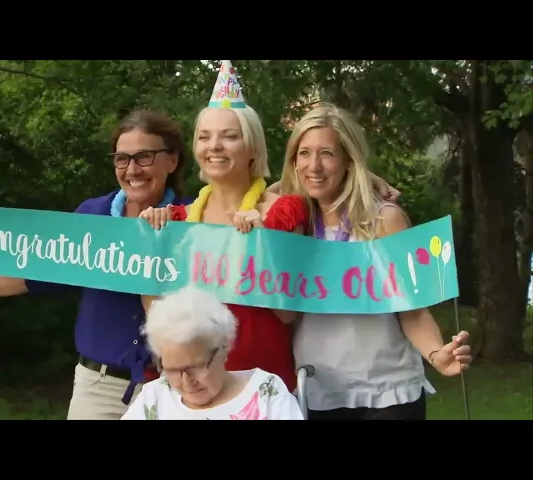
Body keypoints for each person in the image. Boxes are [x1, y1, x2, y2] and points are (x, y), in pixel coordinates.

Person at [0, 109, 192, 420]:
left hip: (177, 387)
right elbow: (42, 273)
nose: (132, 169)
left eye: (144, 157)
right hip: (98, 388)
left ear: (172, 160)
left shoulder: (195, 219)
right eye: (122, 159)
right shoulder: (93, 215)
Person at [274, 103, 473, 420]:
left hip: (388, 392)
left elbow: (413, 310)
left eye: (327, 153)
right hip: (318, 393)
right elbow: (260, 189)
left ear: (348, 160)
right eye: (304, 153)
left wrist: (436, 354)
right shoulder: (293, 225)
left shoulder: (385, 220)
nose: (314, 165)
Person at [140, 61, 310, 393]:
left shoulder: (281, 213)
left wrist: (260, 244)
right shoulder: (177, 222)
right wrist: (149, 246)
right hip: (193, 390)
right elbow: (158, 319)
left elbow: (289, 315)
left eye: (229, 136)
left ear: (252, 148)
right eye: (204, 137)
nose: (214, 146)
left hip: (261, 387)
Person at [121, 286, 304, 420]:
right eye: (173, 370)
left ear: (223, 349)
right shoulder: (154, 396)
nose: (187, 382)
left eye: (195, 367)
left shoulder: (267, 391)